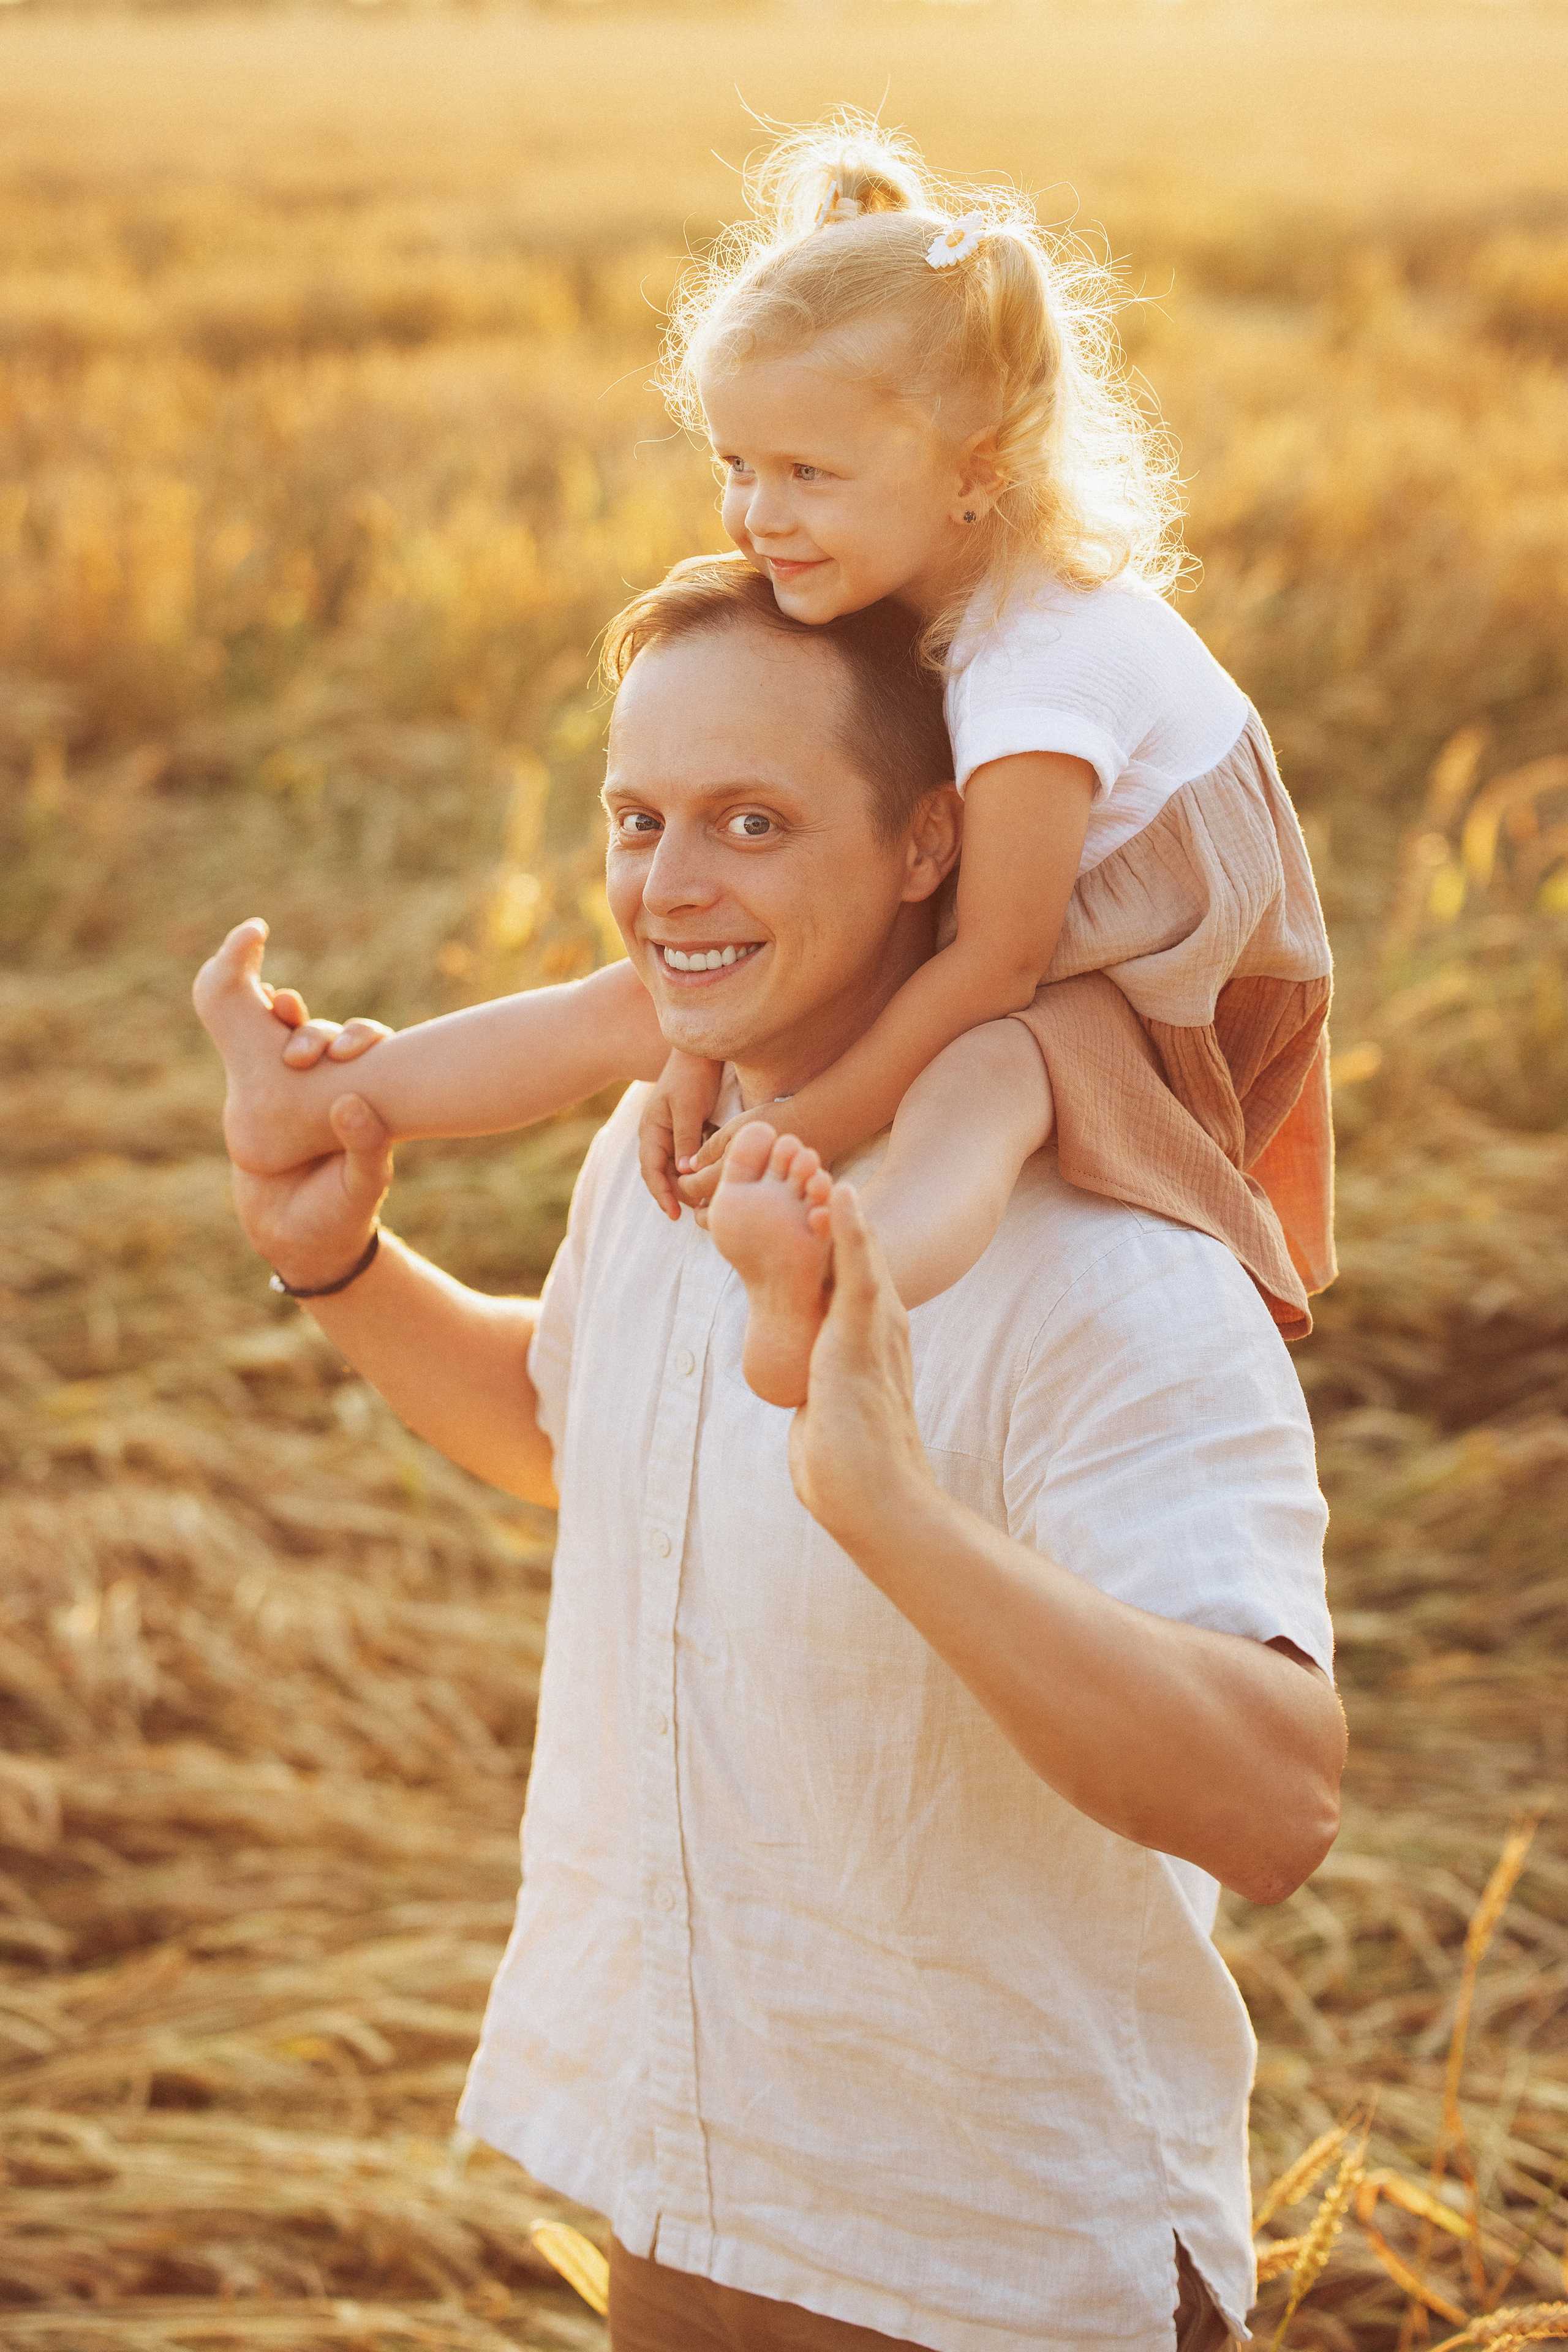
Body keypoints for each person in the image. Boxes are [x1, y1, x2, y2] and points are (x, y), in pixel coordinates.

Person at [197, 563, 1344, 2352]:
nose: (669, 886)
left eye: (751, 822)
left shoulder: (1106, 1260)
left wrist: (888, 1510)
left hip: (994, 2264)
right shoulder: (671, 1146)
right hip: (689, 2195)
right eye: (637, 819)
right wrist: (340, 1263)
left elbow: (1276, 1800)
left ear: (928, 845)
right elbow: (576, 1433)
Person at [212, 116, 1335, 1415]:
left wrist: (796, 1122)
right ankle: (332, 1100)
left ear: (978, 470)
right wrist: (702, 1050)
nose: (758, 516)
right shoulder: (903, 566)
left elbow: (1000, 965)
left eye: (807, 472)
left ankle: (837, 1284)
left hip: (1162, 977)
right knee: (636, 1003)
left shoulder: (1043, 663)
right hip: (1039, 926)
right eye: (736, 466)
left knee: (996, 1072)